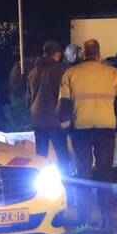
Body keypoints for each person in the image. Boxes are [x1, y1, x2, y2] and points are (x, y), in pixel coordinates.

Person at [58, 39, 117, 228]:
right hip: (106, 128)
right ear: (98, 53)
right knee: (105, 174)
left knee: (83, 173)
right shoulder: (113, 73)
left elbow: (63, 105)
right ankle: (107, 217)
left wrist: (65, 128)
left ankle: (83, 218)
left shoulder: (70, 73)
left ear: (83, 54)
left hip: (81, 129)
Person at [27, 40, 71, 176]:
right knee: (62, 152)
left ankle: (40, 179)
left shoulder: (32, 72)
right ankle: (65, 180)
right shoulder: (61, 72)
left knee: (41, 153)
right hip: (55, 119)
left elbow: (28, 97)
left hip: (38, 119)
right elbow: (64, 96)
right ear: (57, 54)